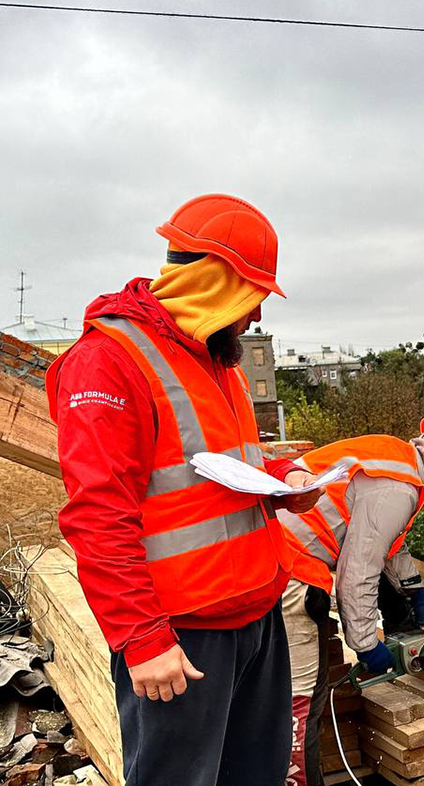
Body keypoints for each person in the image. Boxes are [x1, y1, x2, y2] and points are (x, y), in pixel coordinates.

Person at [47, 194, 321, 786]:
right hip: (183, 636)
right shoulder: (108, 361)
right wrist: (141, 638)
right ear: (215, 283)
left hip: (256, 617)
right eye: (251, 298)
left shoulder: (217, 361)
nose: (254, 319)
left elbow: (213, 470)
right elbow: (98, 514)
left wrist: (281, 482)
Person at [279, 415, 424, 786]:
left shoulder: (394, 458)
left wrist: (417, 594)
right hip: (291, 573)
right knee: (302, 702)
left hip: (273, 559)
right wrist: (366, 645)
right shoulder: (398, 487)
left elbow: (388, 543)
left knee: (296, 693)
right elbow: (358, 571)